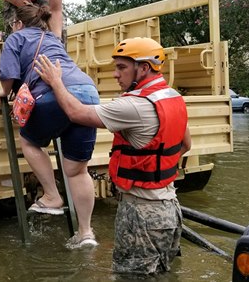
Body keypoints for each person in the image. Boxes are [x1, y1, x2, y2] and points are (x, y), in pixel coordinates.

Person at [34, 37, 192, 275]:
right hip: (169, 209)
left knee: (131, 278)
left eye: (122, 67)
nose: (115, 74)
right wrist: (152, 167)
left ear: (144, 68)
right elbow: (185, 145)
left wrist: (56, 82)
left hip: (142, 215)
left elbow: (76, 113)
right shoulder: (172, 97)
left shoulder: (133, 106)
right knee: (161, 275)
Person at [0, 3, 100, 248]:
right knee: (77, 170)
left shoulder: (16, 37)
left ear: (18, 24)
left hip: (54, 95)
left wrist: (3, 92)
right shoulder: (52, 38)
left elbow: (8, 76)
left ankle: (52, 195)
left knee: (30, 141)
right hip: (88, 92)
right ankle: (85, 233)